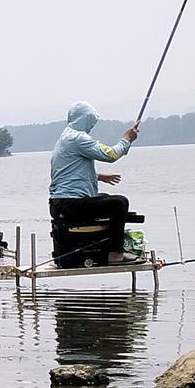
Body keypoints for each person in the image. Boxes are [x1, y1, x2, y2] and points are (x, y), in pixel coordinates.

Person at [49, 101, 140, 265]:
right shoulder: (79, 138)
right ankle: (115, 253)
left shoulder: (65, 137)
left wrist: (98, 176)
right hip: (69, 204)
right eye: (91, 121)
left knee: (105, 197)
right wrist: (127, 139)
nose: (92, 126)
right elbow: (111, 155)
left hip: (60, 204)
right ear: (84, 119)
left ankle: (105, 244)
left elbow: (68, 171)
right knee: (120, 203)